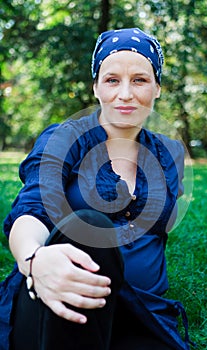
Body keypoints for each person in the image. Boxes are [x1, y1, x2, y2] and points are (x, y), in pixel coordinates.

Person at [0, 28, 194, 350]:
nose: (126, 94)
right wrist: (34, 260)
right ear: (96, 87)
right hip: (61, 299)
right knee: (92, 224)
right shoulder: (66, 138)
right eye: (112, 80)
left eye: (140, 80)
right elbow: (31, 209)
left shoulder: (169, 154)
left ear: (157, 88)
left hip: (143, 311)